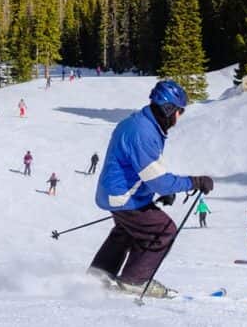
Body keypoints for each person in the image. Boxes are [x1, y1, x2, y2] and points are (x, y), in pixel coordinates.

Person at [88, 79, 215, 299]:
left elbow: (143, 171)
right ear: (169, 109)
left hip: (117, 193)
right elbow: (158, 180)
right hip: (124, 197)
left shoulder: (141, 124)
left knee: (128, 231)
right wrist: (194, 182)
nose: (179, 117)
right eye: (179, 111)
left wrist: (160, 191)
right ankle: (134, 281)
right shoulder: (143, 132)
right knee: (163, 230)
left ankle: (98, 275)